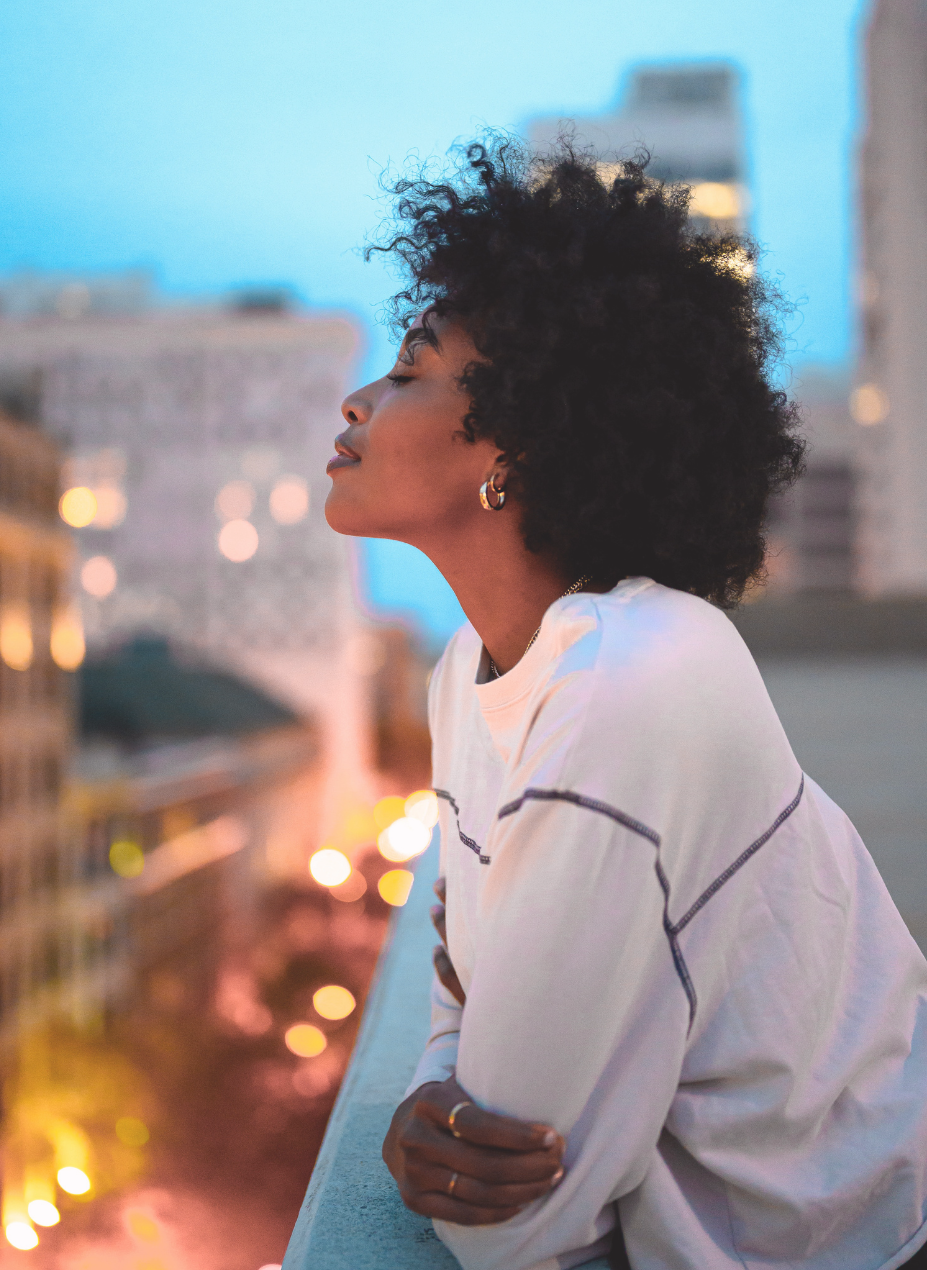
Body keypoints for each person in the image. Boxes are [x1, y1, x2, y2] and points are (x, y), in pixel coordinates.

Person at [323, 137, 927, 1270]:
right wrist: (428, 1103)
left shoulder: (632, 682)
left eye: (408, 370)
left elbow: (515, 1222)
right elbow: (464, 981)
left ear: (517, 443)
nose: (356, 400)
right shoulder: (472, 669)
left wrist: (451, 1119)